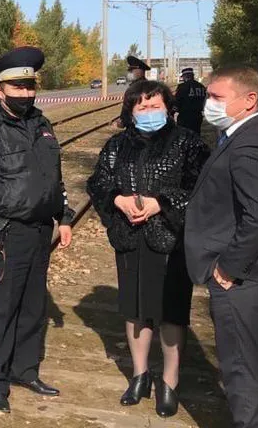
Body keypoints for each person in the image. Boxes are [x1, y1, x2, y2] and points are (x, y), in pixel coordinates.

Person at [0, 46, 74, 413]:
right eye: (17, 87)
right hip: (4, 232)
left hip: (39, 231)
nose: (25, 94)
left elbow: (53, 176)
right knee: (1, 308)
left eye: (29, 87)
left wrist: (64, 216)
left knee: (33, 306)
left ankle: (25, 370)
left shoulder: (41, 124)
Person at [87, 80, 209, 417]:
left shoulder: (188, 142)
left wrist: (162, 203)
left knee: (171, 312)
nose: (149, 112)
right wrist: (117, 199)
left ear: (169, 108)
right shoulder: (116, 145)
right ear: (130, 110)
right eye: (142, 106)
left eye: (155, 105)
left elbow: (201, 187)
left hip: (171, 238)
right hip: (130, 238)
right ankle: (139, 375)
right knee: (135, 309)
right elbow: (98, 181)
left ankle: (169, 382)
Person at [185, 65, 258, 428]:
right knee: (255, 365)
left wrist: (229, 267)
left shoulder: (253, 144)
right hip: (255, 274)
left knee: (242, 373)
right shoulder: (242, 133)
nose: (207, 104)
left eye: (216, 97)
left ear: (249, 100)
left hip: (243, 279)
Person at [173, 68, 207, 133]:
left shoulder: (182, 86)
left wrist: (173, 112)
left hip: (185, 116)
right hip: (197, 116)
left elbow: (177, 101)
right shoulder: (201, 86)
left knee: (184, 135)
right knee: (196, 134)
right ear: (192, 76)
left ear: (185, 76)